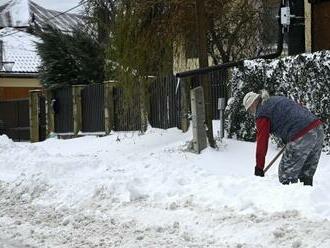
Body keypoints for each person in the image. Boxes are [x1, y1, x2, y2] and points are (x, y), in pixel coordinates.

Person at [243, 90, 324, 186]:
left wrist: (259, 168)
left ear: (253, 104)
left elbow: (262, 141)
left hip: (301, 134)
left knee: (285, 174)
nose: (252, 113)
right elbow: (293, 113)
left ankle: (289, 199)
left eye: (249, 110)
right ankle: (306, 197)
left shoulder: (262, 112)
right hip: (318, 129)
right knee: (305, 175)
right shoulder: (276, 99)